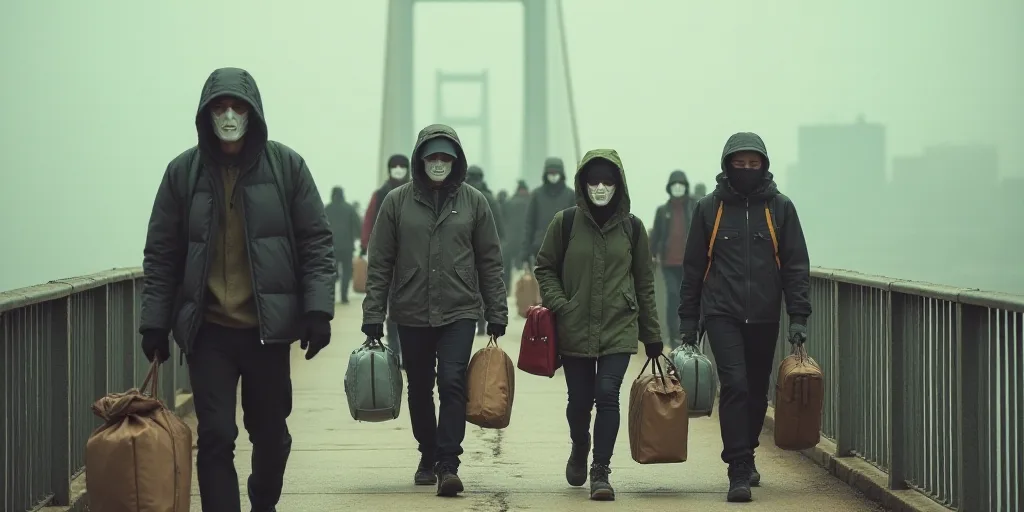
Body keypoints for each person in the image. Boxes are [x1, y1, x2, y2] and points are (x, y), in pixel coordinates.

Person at [139, 67, 335, 512]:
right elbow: (162, 252)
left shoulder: (287, 167)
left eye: (238, 107)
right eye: (219, 108)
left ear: (254, 112)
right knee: (215, 436)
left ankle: (263, 502)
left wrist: (318, 311)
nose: (228, 115)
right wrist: (154, 323)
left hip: (267, 331)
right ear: (206, 115)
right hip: (208, 332)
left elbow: (316, 241)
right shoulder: (182, 173)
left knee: (268, 433)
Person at [361, 124, 508, 498]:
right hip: (410, 310)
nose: (439, 163)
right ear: (420, 160)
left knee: (453, 382)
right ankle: (427, 454)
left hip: (460, 309)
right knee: (420, 388)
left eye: (446, 156)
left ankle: (447, 463)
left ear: (456, 160)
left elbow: (490, 260)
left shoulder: (475, 202)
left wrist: (496, 309)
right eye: (432, 156)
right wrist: (373, 314)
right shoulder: (396, 202)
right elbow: (379, 261)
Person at [677, 132, 811, 503]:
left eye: (754, 164)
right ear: (727, 165)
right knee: (734, 384)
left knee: (756, 391)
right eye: (740, 163)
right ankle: (737, 467)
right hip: (722, 311)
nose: (747, 170)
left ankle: (748, 449)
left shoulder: (780, 209)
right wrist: (689, 320)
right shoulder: (710, 208)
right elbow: (693, 269)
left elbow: (796, 265)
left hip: (766, 314)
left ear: (764, 166)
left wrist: (798, 315)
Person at [533, 149, 662, 501]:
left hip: (618, 327)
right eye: (594, 181)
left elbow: (644, 282)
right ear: (583, 184)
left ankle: (600, 470)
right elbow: (544, 267)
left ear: (619, 184)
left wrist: (652, 335)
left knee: (607, 396)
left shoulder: (633, 228)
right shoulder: (565, 223)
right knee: (579, 402)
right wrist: (561, 304)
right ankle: (580, 445)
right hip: (574, 326)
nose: (601, 187)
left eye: (608, 181)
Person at [360, 153, 411, 362]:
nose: (398, 169)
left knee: (411, 308)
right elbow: (369, 220)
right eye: (394, 166)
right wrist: (366, 246)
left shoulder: (416, 192)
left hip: (411, 259)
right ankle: (397, 349)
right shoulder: (380, 194)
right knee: (393, 307)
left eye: (402, 166)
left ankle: (408, 351)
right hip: (388, 259)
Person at [649, 170, 697, 348]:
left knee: (688, 298)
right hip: (668, 263)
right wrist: (652, 254)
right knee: (672, 295)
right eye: (675, 185)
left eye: (681, 185)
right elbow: (655, 235)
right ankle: (672, 334)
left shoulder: (692, 209)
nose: (678, 188)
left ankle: (688, 333)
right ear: (669, 188)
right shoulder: (663, 211)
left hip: (689, 263)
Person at [465, 165, 505, 335]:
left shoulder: (462, 196)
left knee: (470, 287)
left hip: (465, 249)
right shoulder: (489, 197)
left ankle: (475, 319)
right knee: (484, 285)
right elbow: (500, 226)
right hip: (486, 247)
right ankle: (482, 324)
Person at [522, 157, 575, 268]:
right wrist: (525, 252)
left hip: (565, 250)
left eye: (556, 173)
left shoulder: (571, 195)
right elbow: (529, 224)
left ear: (561, 173)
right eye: (551, 173)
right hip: (540, 249)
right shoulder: (537, 195)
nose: (553, 176)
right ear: (546, 174)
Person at [325, 186, 361, 304]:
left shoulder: (327, 209)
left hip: (331, 247)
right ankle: (344, 297)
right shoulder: (349, 209)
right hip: (347, 247)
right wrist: (356, 237)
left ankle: (330, 296)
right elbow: (358, 226)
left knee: (331, 272)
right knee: (346, 272)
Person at [501, 180, 531, 291]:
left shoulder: (509, 202)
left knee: (507, 267)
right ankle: (528, 291)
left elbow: (502, 219)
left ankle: (507, 290)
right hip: (526, 240)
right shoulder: (531, 202)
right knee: (527, 267)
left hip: (510, 239)